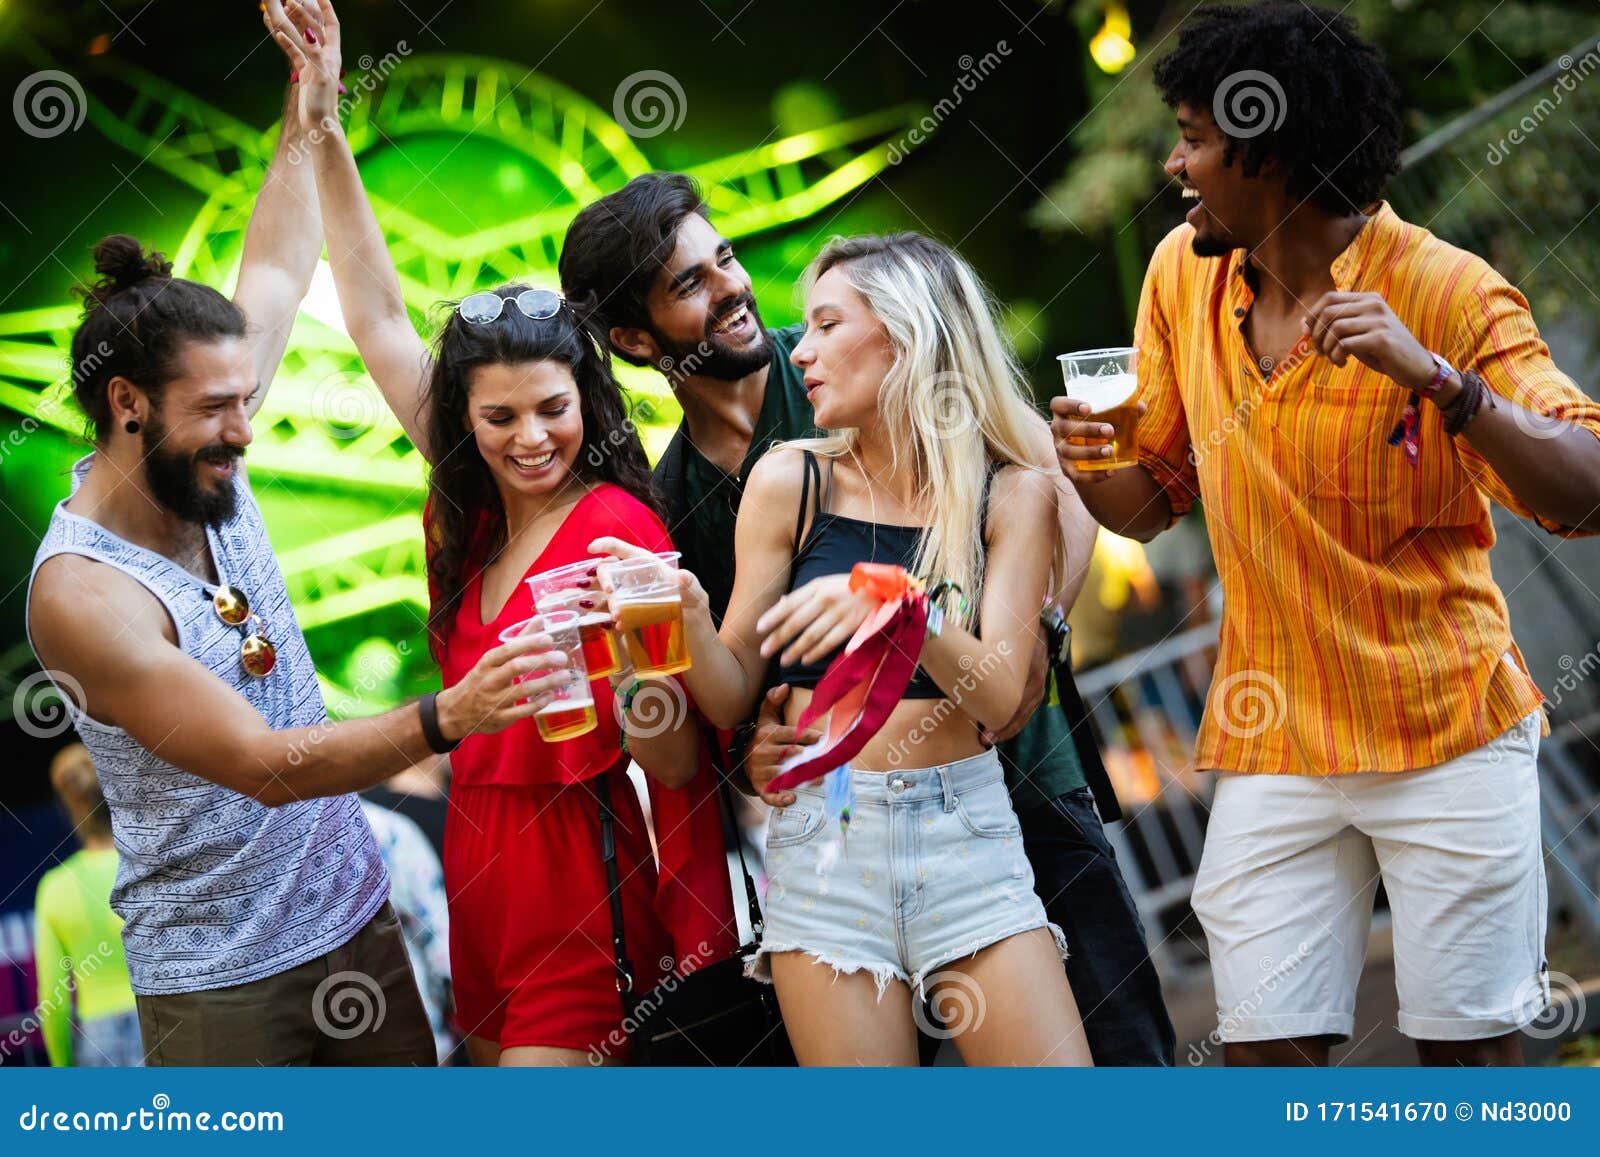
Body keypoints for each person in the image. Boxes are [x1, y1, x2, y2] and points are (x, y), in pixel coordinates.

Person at [1051, 1, 1600, 1067]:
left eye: (1195, 139)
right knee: (1264, 1053)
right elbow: (1153, 497)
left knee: (1465, 1059)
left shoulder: (1446, 292)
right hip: (1274, 733)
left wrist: (1439, 382)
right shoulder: (1181, 273)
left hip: (1444, 723)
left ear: (1272, 154)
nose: (1174, 162)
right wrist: (1086, 465)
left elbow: (1583, 489)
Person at [25, 11, 560, 1068]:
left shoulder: (205, 439)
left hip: (357, 921)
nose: (248, 424)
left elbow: (276, 257)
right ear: (127, 404)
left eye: (247, 395)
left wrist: (309, 103)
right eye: (220, 406)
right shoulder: (82, 593)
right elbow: (266, 765)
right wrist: (447, 713)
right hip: (222, 982)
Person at [563, 173, 1175, 1064]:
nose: (734, 288)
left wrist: (1026, 626)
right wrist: (720, 693)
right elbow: (735, 691)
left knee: (1123, 1052)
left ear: (900, 332)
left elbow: (1050, 498)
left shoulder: (883, 403)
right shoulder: (702, 489)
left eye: (724, 258)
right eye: (689, 283)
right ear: (633, 336)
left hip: (1011, 788)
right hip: (836, 825)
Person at [270, 0, 737, 1066]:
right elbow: (377, 313)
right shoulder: (468, 514)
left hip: (583, 877)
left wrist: (642, 674)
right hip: (477, 870)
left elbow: (669, 757)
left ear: (590, 399)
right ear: (466, 422)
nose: (532, 438)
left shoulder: (615, 522)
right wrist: (324, 125)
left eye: (555, 409)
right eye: (499, 417)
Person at [32, 745, 140, 1067]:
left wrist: (62, 1069)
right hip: (161, 1020)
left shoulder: (55, 887)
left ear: (71, 807)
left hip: (98, 1044)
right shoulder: (147, 865)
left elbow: (53, 999)